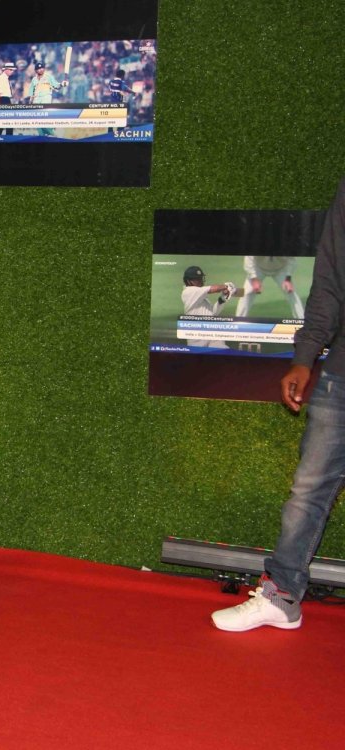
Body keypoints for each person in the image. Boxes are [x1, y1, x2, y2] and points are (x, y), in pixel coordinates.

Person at [212, 178, 345, 632]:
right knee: (308, 490)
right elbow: (330, 280)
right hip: (342, 372)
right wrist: (305, 356)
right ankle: (282, 597)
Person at [180, 265, 235, 349]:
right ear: (188, 281)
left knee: (225, 352)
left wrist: (222, 299)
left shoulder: (200, 296)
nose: (200, 281)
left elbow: (213, 313)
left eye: (200, 278)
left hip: (212, 334)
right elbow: (212, 289)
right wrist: (226, 286)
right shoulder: (188, 292)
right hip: (198, 338)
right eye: (197, 279)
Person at [234, 256, 306, 319]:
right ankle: (238, 321)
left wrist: (288, 278)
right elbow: (249, 258)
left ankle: (301, 320)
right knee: (247, 292)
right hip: (258, 268)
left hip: (281, 269)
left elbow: (291, 260)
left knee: (291, 292)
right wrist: (254, 279)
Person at [27, 61, 61, 136]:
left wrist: (62, 84)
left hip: (46, 98)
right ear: (36, 70)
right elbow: (31, 92)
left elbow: (56, 85)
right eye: (39, 69)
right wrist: (30, 102)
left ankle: (52, 134)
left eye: (42, 68)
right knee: (37, 120)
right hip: (36, 100)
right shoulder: (34, 79)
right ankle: (42, 136)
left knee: (44, 117)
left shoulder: (48, 77)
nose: (41, 70)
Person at [0, 61, 15, 136]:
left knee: (2, 124)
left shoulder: (5, 78)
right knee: (9, 123)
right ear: (6, 69)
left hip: (6, 100)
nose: (12, 71)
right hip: (3, 100)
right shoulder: (1, 78)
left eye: (12, 70)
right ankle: (8, 139)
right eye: (11, 70)